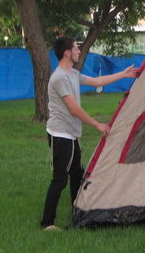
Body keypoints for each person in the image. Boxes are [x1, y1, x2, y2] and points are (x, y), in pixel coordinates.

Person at [40, 37, 137, 230]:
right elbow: (74, 109)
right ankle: (47, 223)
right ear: (67, 53)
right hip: (60, 135)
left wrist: (123, 74)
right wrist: (97, 124)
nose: (79, 50)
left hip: (71, 134)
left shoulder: (72, 74)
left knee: (77, 175)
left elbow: (97, 81)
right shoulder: (60, 78)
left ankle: (78, 213)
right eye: (76, 48)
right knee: (60, 179)